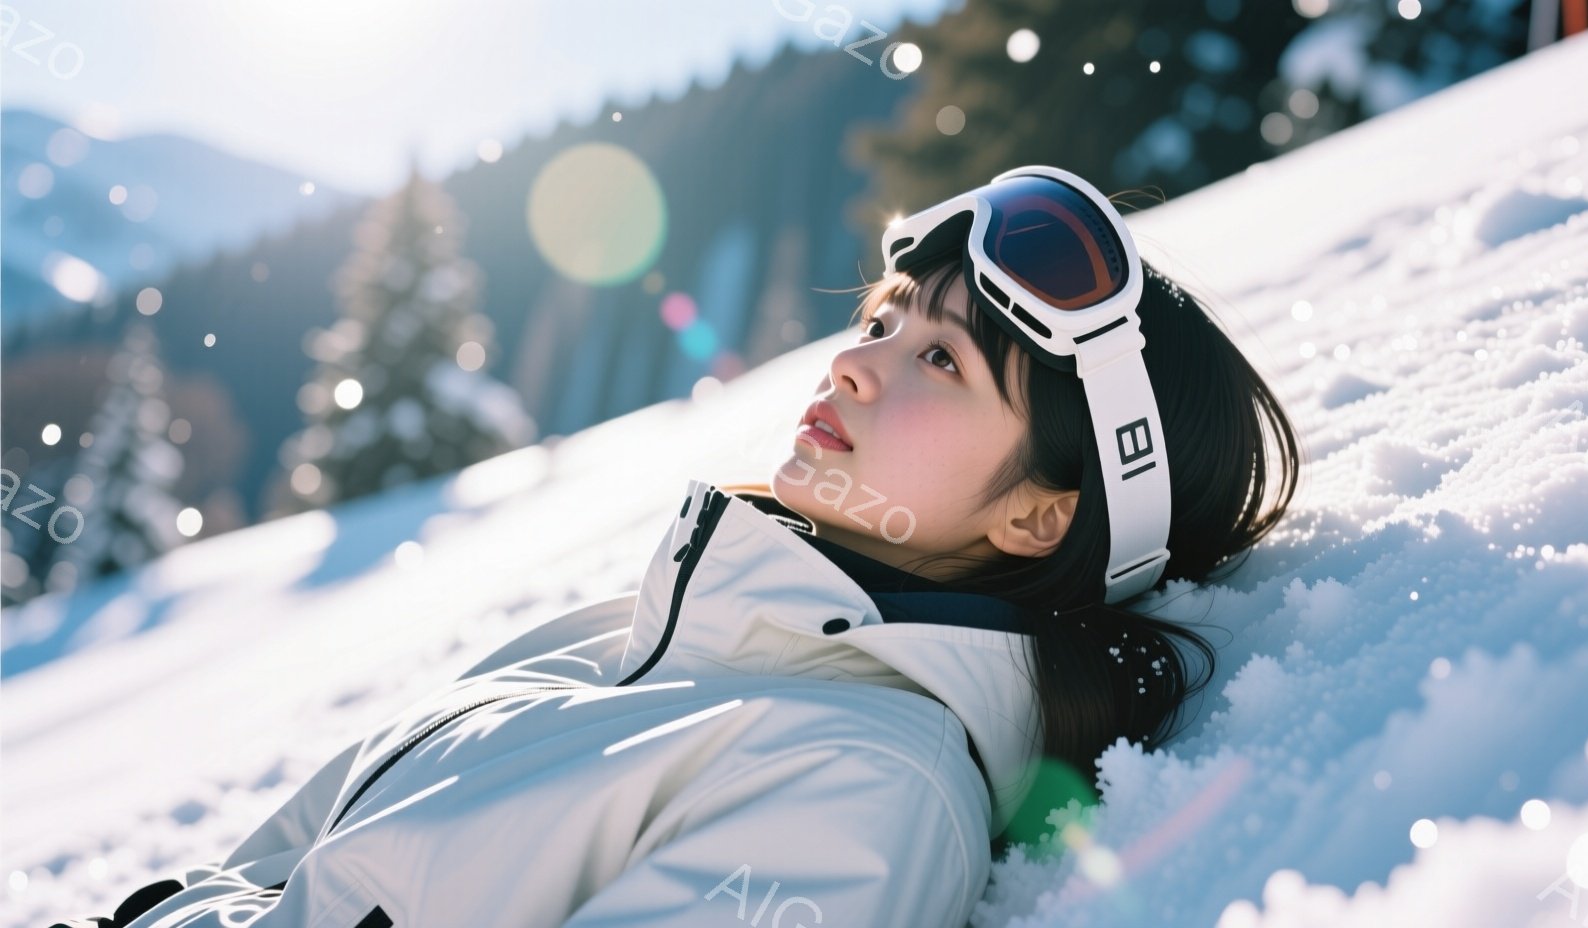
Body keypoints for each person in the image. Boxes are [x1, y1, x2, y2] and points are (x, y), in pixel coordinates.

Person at [57, 166, 1300, 928]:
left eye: (938, 359)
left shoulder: (866, 788)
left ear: (1037, 515)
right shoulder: (638, 633)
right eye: (880, 317)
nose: (856, 361)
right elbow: (283, 866)